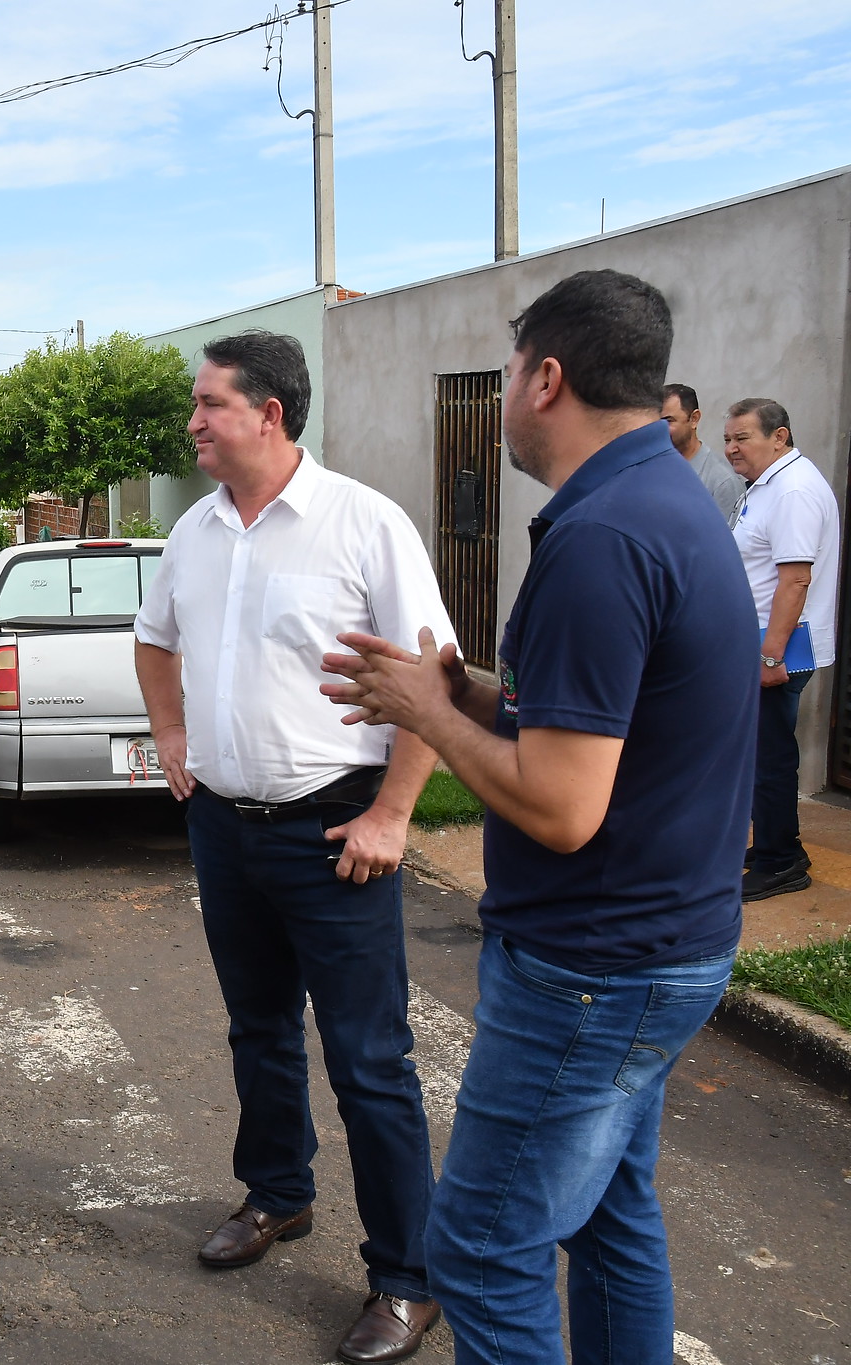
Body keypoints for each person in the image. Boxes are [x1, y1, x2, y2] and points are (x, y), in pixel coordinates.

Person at [320, 269, 755, 1364]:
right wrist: (466, 697)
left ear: (545, 378)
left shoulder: (600, 538)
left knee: (478, 1248)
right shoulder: (664, 501)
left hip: (591, 965)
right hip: (665, 944)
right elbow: (599, 730)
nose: (505, 395)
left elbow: (561, 809)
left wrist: (429, 714)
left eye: (509, 371)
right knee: (608, 1215)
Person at [133, 330, 452, 1365]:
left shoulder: (363, 523)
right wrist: (171, 737)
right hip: (225, 827)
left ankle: (407, 1278)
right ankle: (277, 1194)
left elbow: (433, 678)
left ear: (267, 413)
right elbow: (153, 638)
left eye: (208, 403)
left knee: (369, 1060)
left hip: (334, 828)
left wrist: (393, 814)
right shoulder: (194, 531)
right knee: (257, 1028)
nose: (192, 421)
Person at [724, 397, 838, 900]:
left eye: (742, 437)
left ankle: (781, 862)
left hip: (777, 647)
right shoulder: (768, 484)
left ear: (779, 437)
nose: (732, 448)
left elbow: (795, 580)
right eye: (728, 439)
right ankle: (777, 842)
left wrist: (770, 657)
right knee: (759, 752)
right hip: (759, 642)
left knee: (769, 756)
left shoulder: (793, 489)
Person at [660, 383, 745, 523]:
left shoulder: (722, 481)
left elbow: (727, 535)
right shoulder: (651, 469)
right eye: (654, 422)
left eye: (668, 421)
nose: (659, 429)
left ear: (694, 418)